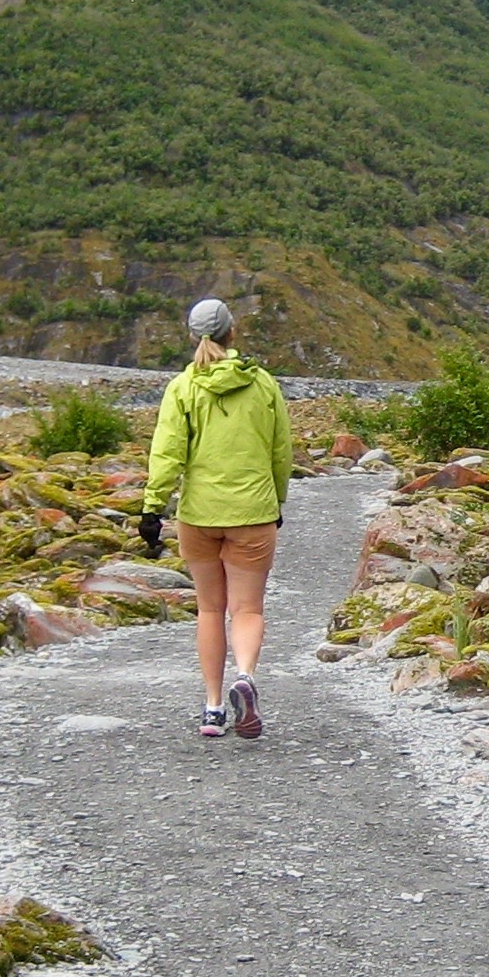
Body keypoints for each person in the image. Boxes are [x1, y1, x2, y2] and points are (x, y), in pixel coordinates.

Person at [138, 298, 293, 738]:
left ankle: (211, 708)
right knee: (246, 609)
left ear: (193, 337)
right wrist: (276, 501)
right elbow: (281, 452)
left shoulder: (183, 388)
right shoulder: (263, 385)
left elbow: (167, 453)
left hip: (199, 514)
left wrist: (152, 507)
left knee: (209, 608)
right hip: (253, 512)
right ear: (233, 332)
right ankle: (245, 676)